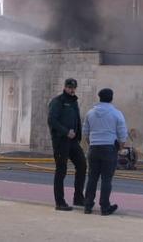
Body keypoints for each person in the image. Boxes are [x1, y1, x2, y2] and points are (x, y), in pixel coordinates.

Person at [82, 87, 128, 216]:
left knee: (92, 178)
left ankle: (87, 205)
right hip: (109, 149)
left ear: (99, 98)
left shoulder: (90, 113)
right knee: (106, 179)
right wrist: (119, 147)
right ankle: (105, 207)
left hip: (94, 149)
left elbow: (85, 132)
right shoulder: (116, 113)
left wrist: (92, 143)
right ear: (111, 98)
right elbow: (123, 134)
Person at [47, 77, 86, 211]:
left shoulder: (74, 102)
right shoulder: (58, 102)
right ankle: (60, 202)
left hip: (73, 141)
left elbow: (77, 120)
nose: (71, 90)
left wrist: (79, 136)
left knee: (82, 165)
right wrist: (65, 132)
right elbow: (52, 120)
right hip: (61, 141)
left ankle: (79, 198)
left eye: (73, 87)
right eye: (69, 87)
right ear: (65, 87)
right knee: (61, 170)